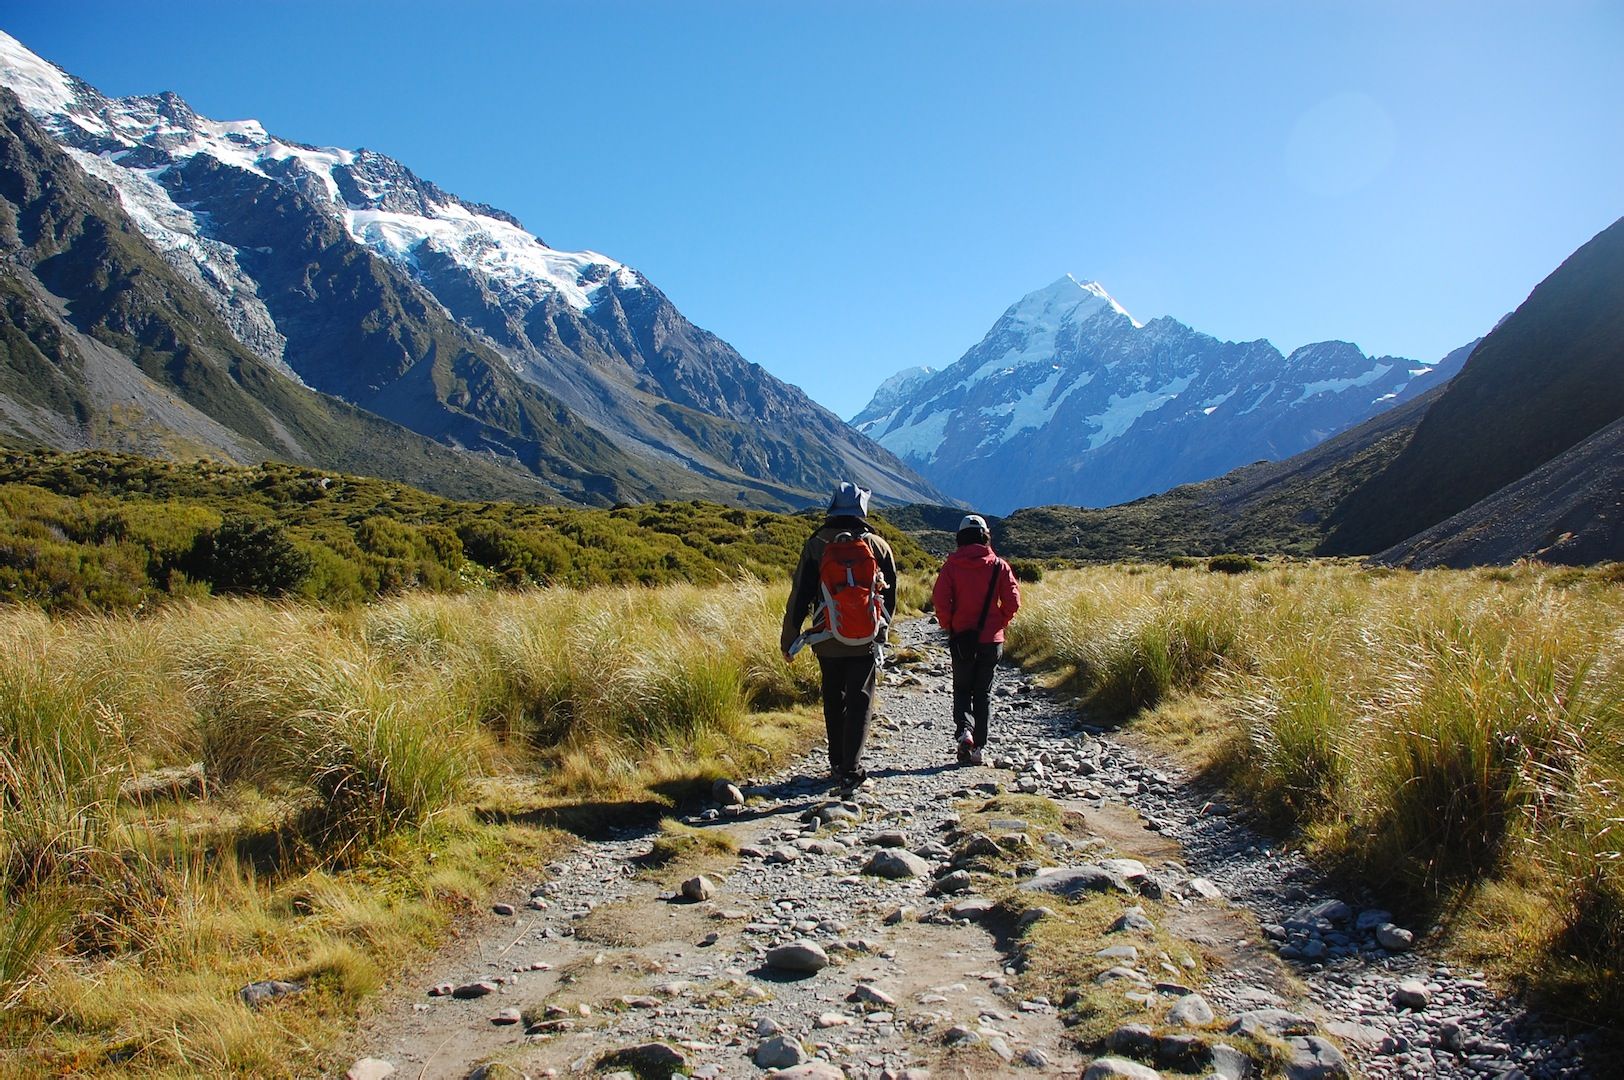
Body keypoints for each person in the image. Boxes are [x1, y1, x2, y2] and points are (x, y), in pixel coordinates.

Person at [781, 482, 898, 796]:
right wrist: (880, 630)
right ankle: (851, 770)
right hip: (864, 638)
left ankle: (835, 762)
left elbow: (800, 595)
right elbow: (890, 599)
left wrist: (789, 638)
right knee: (860, 699)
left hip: (826, 636)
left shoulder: (817, 544)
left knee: (834, 697)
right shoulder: (878, 545)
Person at [932, 514, 1020, 765]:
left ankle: (964, 732)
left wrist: (949, 625)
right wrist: (999, 623)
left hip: (961, 639)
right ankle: (979, 748)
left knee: (961, 688)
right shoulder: (999, 566)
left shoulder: (951, 566)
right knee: (983, 692)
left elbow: (940, 599)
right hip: (991, 641)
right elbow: (1013, 601)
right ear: (985, 536)